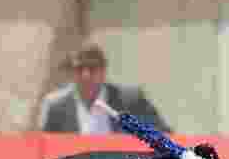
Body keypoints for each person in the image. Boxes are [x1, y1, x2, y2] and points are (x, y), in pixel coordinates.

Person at [37, 42, 171, 134]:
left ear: (103, 71)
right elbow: (44, 148)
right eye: (80, 68)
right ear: (72, 72)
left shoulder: (130, 100)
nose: (85, 75)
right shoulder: (56, 106)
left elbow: (162, 134)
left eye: (92, 68)